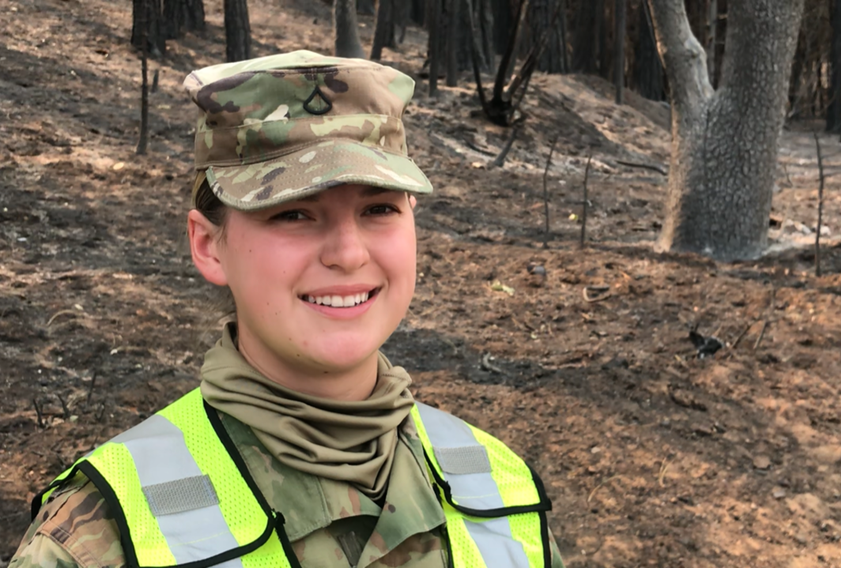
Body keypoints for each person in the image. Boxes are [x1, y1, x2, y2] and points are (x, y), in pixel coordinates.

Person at [10, 51, 562, 568]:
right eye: (293, 213)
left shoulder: (502, 488)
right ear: (208, 245)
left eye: (378, 208)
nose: (348, 254)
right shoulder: (101, 535)